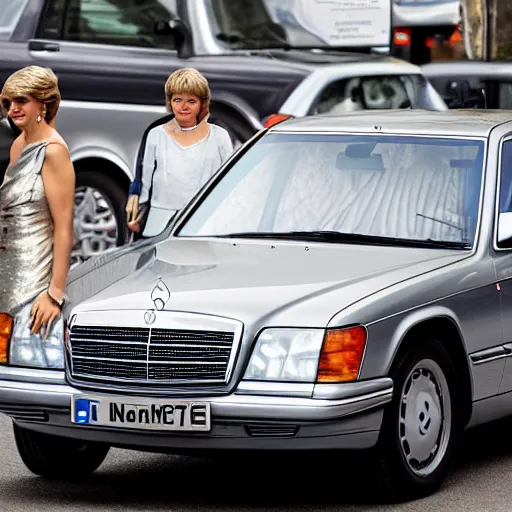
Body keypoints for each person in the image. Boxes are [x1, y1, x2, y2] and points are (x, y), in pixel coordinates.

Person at [0, 65, 75, 339]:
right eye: (8, 103)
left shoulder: (53, 152)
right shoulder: (19, 144)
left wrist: (54, 295)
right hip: (7, 267)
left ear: (45, 103)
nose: (12, 110)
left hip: (33, 279)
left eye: (21, 101)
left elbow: (64, 227)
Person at [125, 67, 234, 237]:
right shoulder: (155, 134)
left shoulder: (219, 136)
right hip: (159, 221)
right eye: (177, 100)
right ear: (169, 102)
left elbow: (230, 182)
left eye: (191, 101)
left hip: (206, 220)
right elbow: (145, 179)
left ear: (202, 103)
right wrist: (139, 208)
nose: (184, 106)